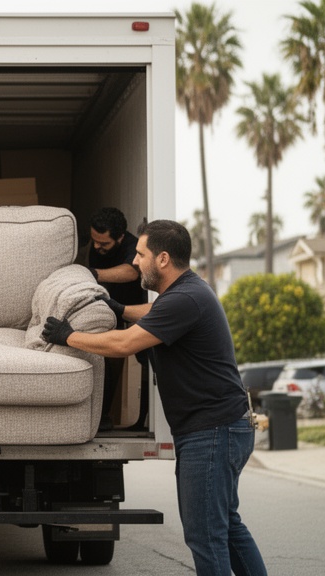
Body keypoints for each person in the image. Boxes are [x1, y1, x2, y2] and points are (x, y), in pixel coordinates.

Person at [43, 220, 266, 576]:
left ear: (163, 259)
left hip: (212, 432)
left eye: (141, 254)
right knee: (227, 528)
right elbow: (148, 315)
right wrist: (118, 309)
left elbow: (124, 344)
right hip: (222, 428)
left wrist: (69, 336)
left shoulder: (186, 298)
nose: (134, 261)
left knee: (206, 536)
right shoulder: (185, 293)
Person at [86, 207, 147, 432]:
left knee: (143, 361)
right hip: (110, 310)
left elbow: (131, 272)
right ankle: (101, 416)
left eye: (104, 243)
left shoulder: (133, 246)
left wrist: (94, 274)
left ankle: (141, 421)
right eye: (94, 241)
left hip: (135, 310)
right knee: (103, 359)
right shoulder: (97, 246)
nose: (97, 247)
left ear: (120, 237)